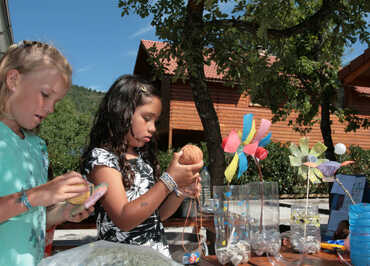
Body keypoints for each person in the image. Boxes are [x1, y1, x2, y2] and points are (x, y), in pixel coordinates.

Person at [80, 74, 203, 257]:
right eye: (147, 118)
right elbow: (124, 218)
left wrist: (180, 191)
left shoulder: (143, 159)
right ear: (122, 112)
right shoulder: (101, 160)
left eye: (155, 121)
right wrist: (169, 180)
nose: (153, 128)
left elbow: (155, 215)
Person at [0, 40, 94, 265]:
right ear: (13, 80)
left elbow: (31, 217)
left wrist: (62, 212)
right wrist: (37, 195)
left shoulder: (37, 147)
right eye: (45, 94)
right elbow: (30, 201)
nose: (51, 108)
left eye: (56, 101)